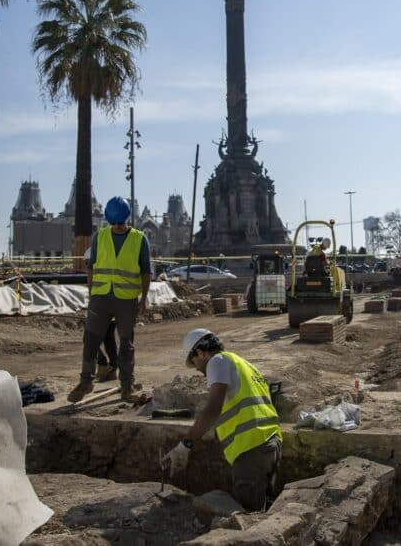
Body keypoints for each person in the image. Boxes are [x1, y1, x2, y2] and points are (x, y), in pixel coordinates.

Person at [162, 328, 282, 511]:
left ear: (200, 353)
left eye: (193, 361)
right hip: (271, 443)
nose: (196, 367)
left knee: (248, 516)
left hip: (251, 448)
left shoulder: (216, 362)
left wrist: (185, 445)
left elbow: (213, 409)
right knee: (264, 508)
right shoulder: (245, 365)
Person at [67, 196, 151, 403]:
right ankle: (86, 381)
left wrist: (144, 299)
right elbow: (92, 267)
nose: (117, 227)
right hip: (101, 297)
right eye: (114, 223)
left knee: (126, 344)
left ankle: (126, 386)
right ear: (108, 221)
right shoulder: (100, 236)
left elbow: (146, 272)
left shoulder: (139, 239)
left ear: (127, 219)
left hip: (126, 299)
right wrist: (92, 293)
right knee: (90, 340)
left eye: (120, 223)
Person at [83, 247, 118, 382]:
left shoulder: (97, 273)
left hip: (102, 310)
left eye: (87, 262)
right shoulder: (108, 270)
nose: (86, 266)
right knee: (109, 339)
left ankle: (103, 364)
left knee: (89, 339)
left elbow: (96, 293)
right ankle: (112, 369)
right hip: (112, 309)